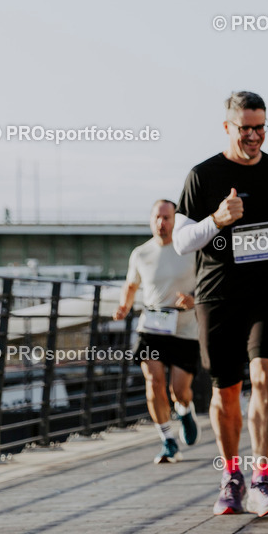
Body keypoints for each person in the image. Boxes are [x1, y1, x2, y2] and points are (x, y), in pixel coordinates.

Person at [172, 91, 268, 516]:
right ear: (227, 127)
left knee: (266, 380)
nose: (253, 135)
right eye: (245, 127)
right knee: (226, 392)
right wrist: (218, 220)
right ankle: (231, 476)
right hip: (219, 295)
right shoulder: (203, 175)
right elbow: (180, 241)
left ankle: (262, 477)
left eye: (260, 126)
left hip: (267, 292)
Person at [114, 199, 201, 464]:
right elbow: (131, 285)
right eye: (157, 218)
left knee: (179, 390)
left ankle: (185, 410)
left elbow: (209, 282)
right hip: (152, 326)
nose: (161, 223)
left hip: (185, 326)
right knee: (153, 382)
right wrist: (123, 307)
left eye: (166, 218)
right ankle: (167, 440)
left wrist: (193, 298)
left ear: (176, 220)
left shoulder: (190, 249)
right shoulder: (140, 253)